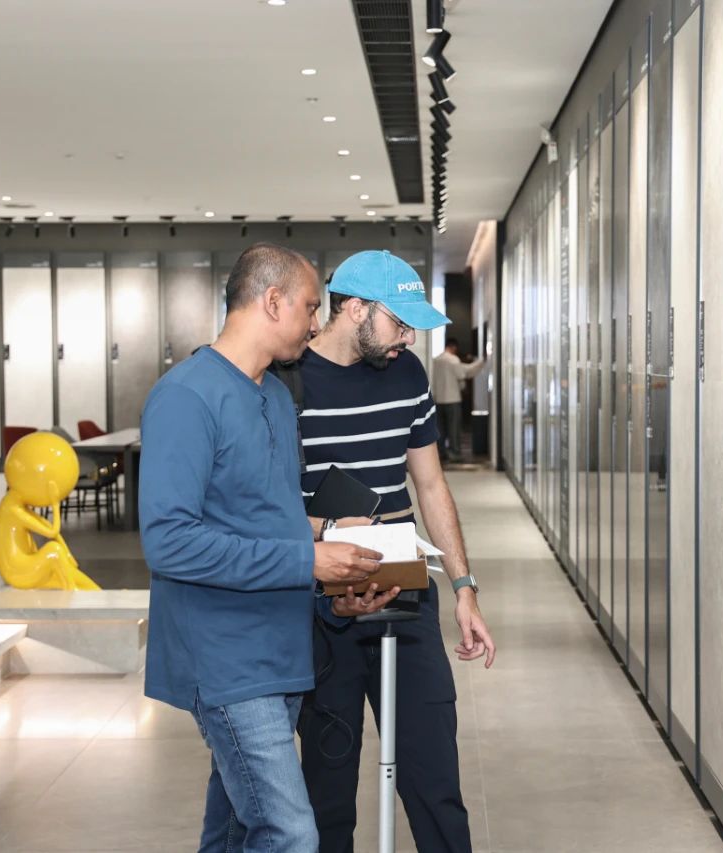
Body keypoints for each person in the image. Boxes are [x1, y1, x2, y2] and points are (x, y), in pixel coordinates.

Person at [139, 243, 399, 853]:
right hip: (225, 660)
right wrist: (310, 558)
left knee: (234, 829)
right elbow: (170, 542)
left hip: (281, 650)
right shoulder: (186, 397)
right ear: (273, 300)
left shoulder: (278, 398)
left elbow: (266, 518)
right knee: (290, 832)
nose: (316, 322)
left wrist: (331, 548)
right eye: (310, 306)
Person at [296, 250, 497, 853]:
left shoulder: (407, 374)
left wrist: (463, 588)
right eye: (399, 322)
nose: (408, 338)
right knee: (327, 793)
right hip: (323, 605)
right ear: (355, 309)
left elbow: (430, 484)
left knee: (434, 779)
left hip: (404, 593)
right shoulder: (289, 382)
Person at [431, 339, 484, 463]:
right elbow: (462, 374)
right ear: (454, 347)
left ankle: (441, 452)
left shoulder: (436, 360)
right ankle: (454, 453)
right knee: (454, 428)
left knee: (440, 429)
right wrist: (480, 362)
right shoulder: (454, 360)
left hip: (438, 399)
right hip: (453, 398)